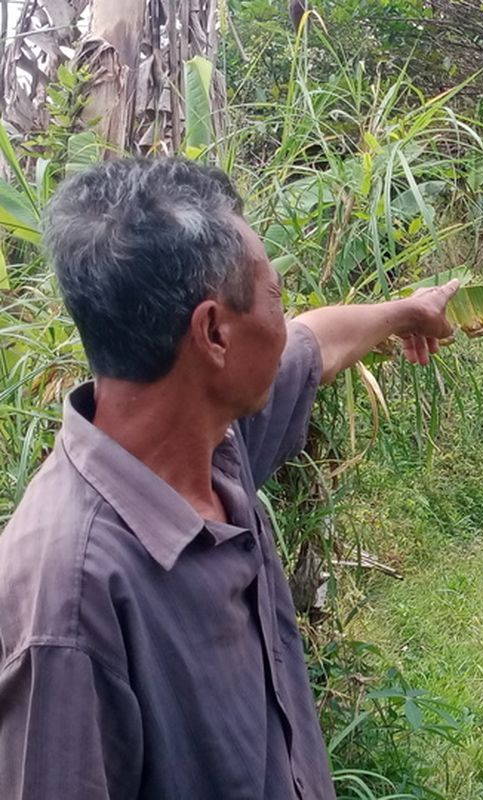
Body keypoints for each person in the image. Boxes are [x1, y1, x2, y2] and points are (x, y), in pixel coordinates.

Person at [0, 158, 459, 798]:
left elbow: (318, 342)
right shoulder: (67, 607)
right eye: (275, 298)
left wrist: (407, 312)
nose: (285, 323)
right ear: (214, 332)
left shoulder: (211, 441)